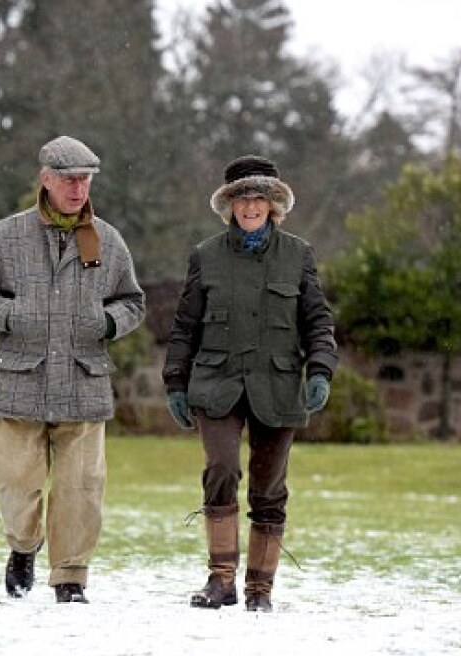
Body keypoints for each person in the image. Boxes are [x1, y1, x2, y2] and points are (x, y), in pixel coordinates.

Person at [0, 135, 146, 604]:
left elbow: (133, 302)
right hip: (20, 379)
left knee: (81, 489)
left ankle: (70, 577)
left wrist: (108, 321)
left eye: (84, 180)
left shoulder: (108, 239)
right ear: (45, 179)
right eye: (68, 179)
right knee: (16, 486)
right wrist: (11, 316)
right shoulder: (6, 236)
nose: (78, 189)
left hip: (84, 381)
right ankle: (23, 547)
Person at [161, 154, 337, 612]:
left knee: (268, 488)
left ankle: (261, 588)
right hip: (217, 383)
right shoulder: (206, 256)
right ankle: (221, 580)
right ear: (231, 206)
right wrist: (176, 382)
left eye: (260, 198)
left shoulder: (298, 256)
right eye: (243, 199)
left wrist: (320, 370)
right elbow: (185, 327)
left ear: (273, 204)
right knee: (221, 469)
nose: (251, 207)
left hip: (278, 388)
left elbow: (318, 321)